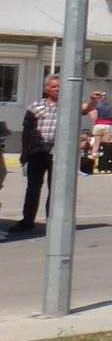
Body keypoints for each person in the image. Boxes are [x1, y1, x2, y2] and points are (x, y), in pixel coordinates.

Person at [9, 76, 66, 237]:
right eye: (54, 87)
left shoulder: (68, 105)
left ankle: (52, 222)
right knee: (33, 188)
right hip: (37, 152)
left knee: (55, 189)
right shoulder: (36, 106)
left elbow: (86, 109)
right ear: (46, 89)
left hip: (58, 154)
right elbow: (27, 130)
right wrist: (24, 152)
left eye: (59, 86)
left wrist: (93, 101)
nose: (57, 89)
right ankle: (27, 221)